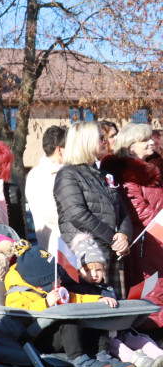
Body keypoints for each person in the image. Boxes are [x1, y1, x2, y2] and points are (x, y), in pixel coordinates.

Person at [3, 242, 115, 367]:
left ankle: (102, 354)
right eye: (55, 281)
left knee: (93, 316)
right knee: (68, 319)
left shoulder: (52, 289)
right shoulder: (17, 295)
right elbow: (20, 317)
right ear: (40, 285)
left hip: (61, 335)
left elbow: (75, 297)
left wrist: (97, 300)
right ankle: (79, 362)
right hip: (40, 338)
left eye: (59, 279)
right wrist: (46, 303)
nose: (60, 283)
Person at [68, 234, 163, 367]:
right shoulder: (79, 289)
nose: (94, 274)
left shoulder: (107, 288)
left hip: (118, 331)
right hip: (100, 338)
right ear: (79, 270)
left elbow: (118, 303)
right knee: (119, 346)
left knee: (141, 340)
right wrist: (99, 301)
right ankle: (142, 364)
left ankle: (159, 356)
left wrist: (128, 304)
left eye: (98, 270)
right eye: (88, 270)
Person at [55, 121, 132, 295]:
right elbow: (78, 214)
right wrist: (113, 238)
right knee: (94, 306)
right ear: (86, 141)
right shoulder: (67, 175)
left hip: (110, 252)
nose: (105, 141)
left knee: (116, 305)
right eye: (100, 138)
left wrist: (124, 235)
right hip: (86, 258)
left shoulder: (103, 174)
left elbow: (122, 210)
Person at [100, 122, 163, 330]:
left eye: (150, 138)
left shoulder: (154, 171)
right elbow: (139, 211)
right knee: (151, 286)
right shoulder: (127, 176)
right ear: (130, 147)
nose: (150, 142)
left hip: (157, 237)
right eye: (144, 140)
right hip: (146, 240)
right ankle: (151, 330)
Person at [25, 126, 67, 247]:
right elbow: (52, 213)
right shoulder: (39, 175)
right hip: (57, 245)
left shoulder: (63, 171)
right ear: (59, 149)